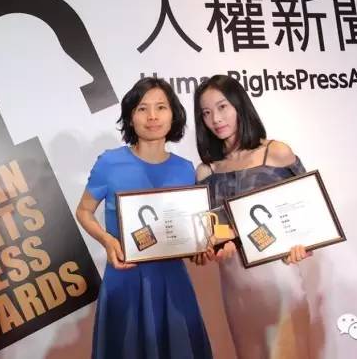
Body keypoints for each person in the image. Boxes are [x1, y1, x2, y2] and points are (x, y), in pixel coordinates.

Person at [76, 77, 213, 359]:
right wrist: (107, 241)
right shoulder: (109, 162)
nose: (152, 116)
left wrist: (201, 248)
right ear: (130, 117)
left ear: (173, 115)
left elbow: (191, 231)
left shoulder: (186, 169)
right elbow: (84, 211)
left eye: (161, 107)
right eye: (142, 108)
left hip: (172, 282)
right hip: (123, 278)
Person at [193, 75, 312, 359]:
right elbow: (211, 234)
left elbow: (309, 208)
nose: (215, 119)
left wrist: (303, 244)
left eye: (222, 107)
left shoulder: (276, 152)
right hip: (235, 283)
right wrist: (211, 248)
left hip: (279, 276)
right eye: (206, 113)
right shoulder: (206, 171)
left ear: (239, 105)